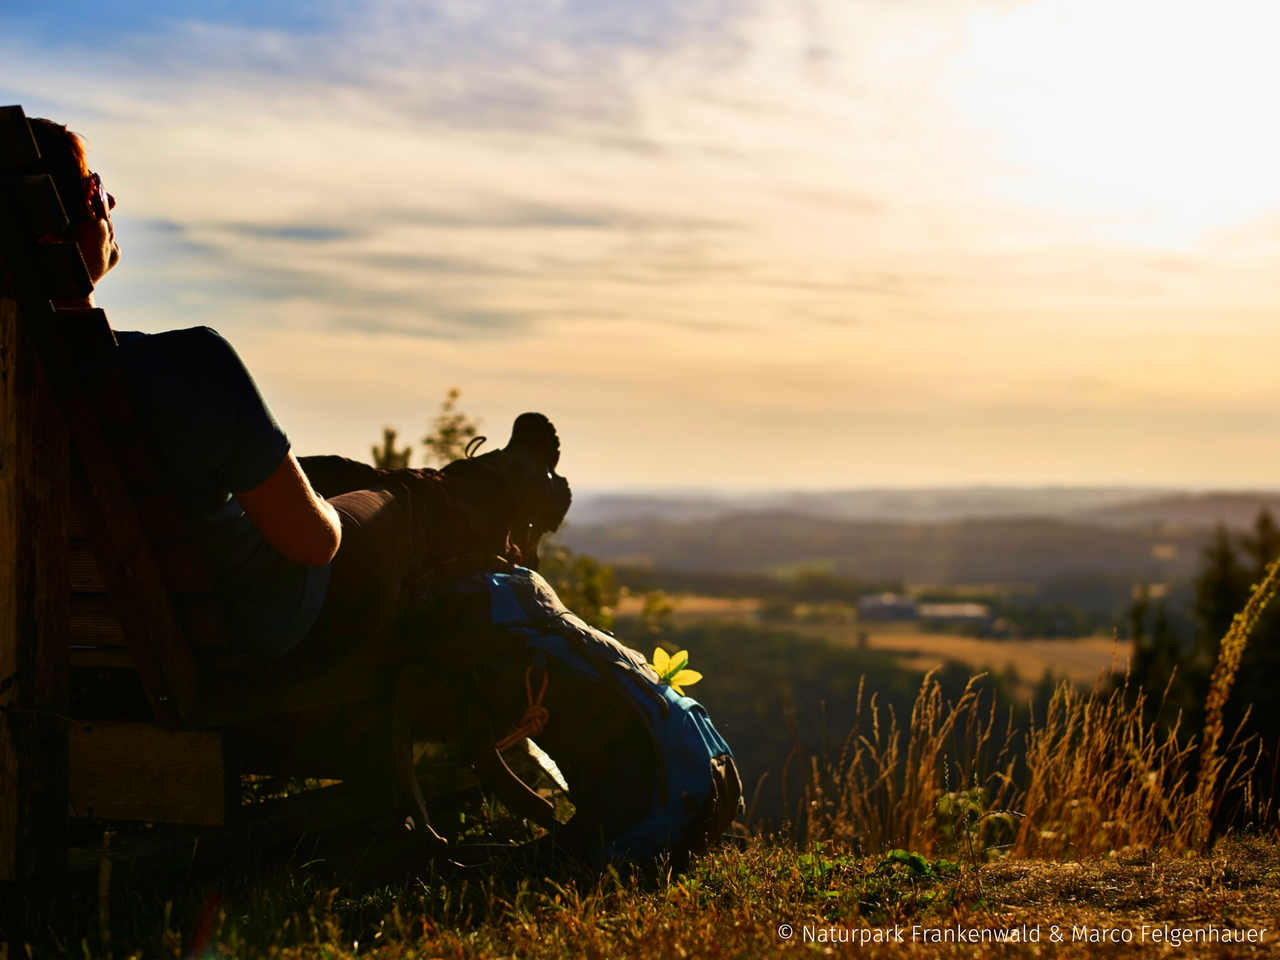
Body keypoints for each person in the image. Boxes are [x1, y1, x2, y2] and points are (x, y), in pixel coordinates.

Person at [30, 118, 570, 669]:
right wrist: (330, 514)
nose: (110, 200)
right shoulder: (187, 366)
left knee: (334, 472)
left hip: (91, 650)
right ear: (52, 239)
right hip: (264, 627)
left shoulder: (23, 392)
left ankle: (486, 477)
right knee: (405, 502)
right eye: (94, 189)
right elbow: (317, 545)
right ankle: (498, 491)